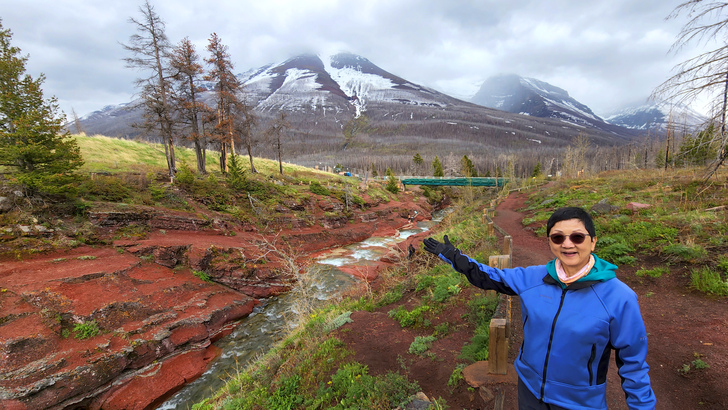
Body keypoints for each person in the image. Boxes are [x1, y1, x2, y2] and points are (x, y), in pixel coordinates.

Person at [423, 207, 656, 410]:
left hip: (579, 403)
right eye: (557, 238)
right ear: (550, 242)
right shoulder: (534, 278)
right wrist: (455, 257)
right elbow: (490, 277)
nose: (567, 244)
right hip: (529, 390)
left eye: (577, 237)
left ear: (593, 241)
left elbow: (633, 365)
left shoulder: (619, 297)